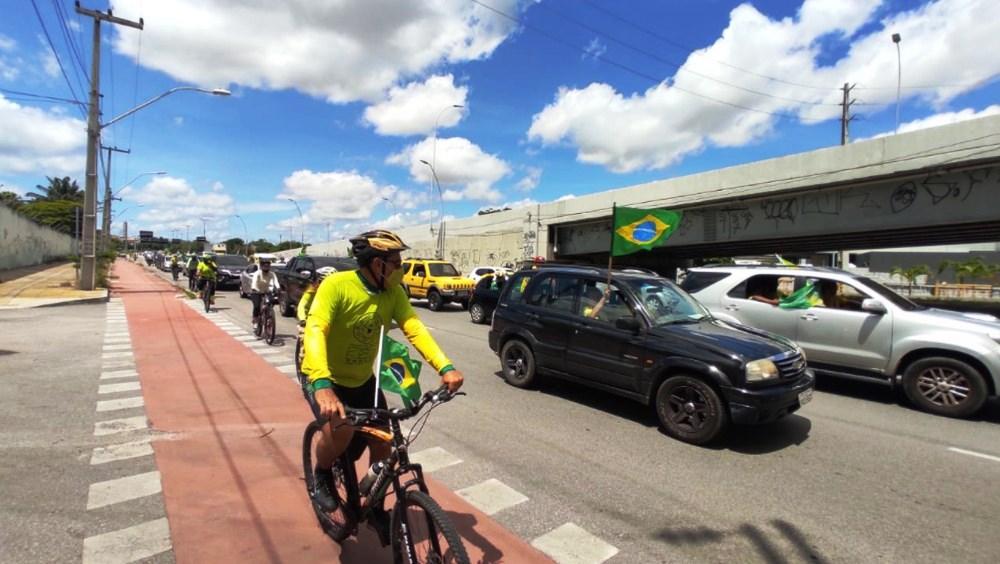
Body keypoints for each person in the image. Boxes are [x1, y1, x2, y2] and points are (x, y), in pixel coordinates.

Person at [301, 229, 463, 539]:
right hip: (325, 378)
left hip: (363, 380)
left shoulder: (393, 293)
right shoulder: (337, 286)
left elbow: (414, 328)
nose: (402, 266)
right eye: (397, 261)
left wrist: (445, 366)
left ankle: (373, 502)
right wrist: (321, 383)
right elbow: (316, 328)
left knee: (384, 440)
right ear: (378, 264)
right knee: (342, 429)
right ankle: (321, 473)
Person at [250, 258, 281, 328]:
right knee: (257, 306)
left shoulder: (272, 274)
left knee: (272, 301)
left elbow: (276, 281)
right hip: (256, 292)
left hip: (266, 291)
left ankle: (268, 316)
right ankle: (255, 320)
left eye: (268, 266)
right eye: (264, 265)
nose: (266, 267)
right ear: (261, 266)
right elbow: (254, 282)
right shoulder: (257, 273)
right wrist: (254, 289)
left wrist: (278, 288)